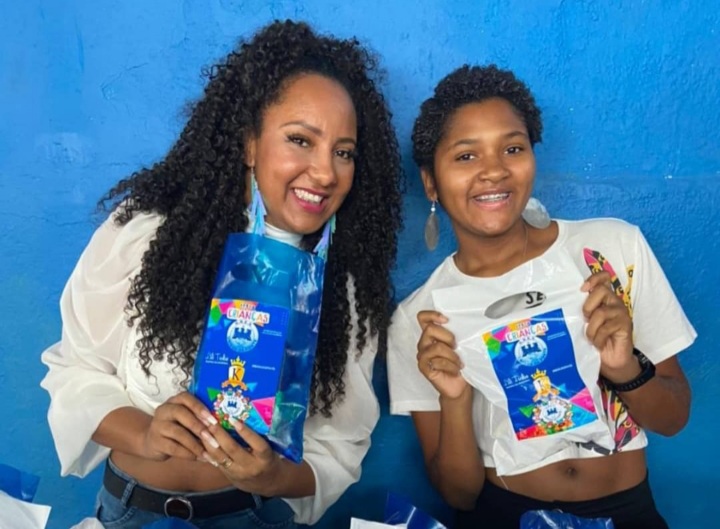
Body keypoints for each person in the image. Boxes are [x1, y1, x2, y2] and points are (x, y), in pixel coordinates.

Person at [41, 19, 402, 529]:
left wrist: (273, 476)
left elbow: (339, 447)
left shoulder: (342, 291)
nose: (325, 172)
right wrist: (146, 433)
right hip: (134, 513)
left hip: (247, 516)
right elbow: (75, 372)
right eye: (300, 140)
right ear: (250, 143)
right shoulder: (149, 237)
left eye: (343, 152)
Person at [387, 65, 695, 529]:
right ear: (430, 182)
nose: (494, 170)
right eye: (466, 156)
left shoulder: (610, 253)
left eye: (512, 148)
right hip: (506, 515)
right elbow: (460, 495)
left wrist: (623, 369)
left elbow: (673, 419)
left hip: (628, 511)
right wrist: (454, 398)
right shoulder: (423, 318)